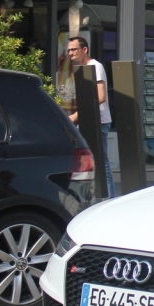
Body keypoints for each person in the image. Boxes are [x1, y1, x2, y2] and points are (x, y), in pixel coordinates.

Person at [66, 36, 115, 198]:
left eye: (73, 49)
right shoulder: (81, 69)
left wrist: (76, 116)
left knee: (101, 163)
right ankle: (93, 196)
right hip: (87, 121)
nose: (70, 53)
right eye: (68, 50)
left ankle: (109, 198)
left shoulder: (95, 66)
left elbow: (101, 96)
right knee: (86, 161)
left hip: (98, 121)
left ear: (84, 49)